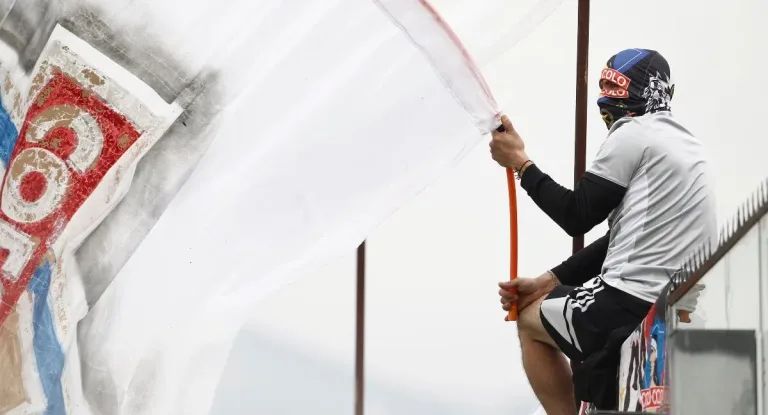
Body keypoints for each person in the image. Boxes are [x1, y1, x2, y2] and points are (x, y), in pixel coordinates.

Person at [489, 49, 717, 414]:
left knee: (529, 319)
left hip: (629, 301)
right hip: (680, 308)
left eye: (615, 85)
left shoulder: (634, 132)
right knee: (549, 301)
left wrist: (520, 162)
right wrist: (548, 280)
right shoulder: (690, 147)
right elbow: (622, 240)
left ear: (645, 90)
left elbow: (576, 215)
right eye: (603, 85)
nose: (606, 96)